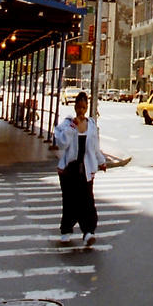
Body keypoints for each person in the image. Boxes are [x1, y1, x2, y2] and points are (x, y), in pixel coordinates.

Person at [54, 91, 107, 246]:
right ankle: (66, 230)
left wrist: (101, 161)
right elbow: (62, 143)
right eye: (78, 107)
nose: (81, 111)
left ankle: (88, 232)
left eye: (84, 107)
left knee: (87, 201)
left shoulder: (91, 125)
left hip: (86, 170)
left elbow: (95, 147)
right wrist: (73, 127)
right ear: (75, 107)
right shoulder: (67, 123)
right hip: (69, 170)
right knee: (70, 200)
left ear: (87, 107)